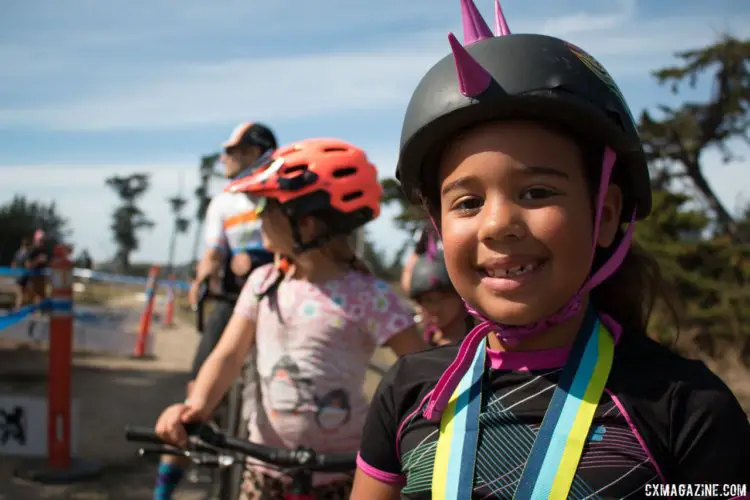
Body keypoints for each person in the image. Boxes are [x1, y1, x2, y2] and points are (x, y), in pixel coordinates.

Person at [352, 1, 750, 498]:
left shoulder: (686, 407)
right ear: (437, 227)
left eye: (537, 192)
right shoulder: (409, 390)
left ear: (603, 215)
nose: (498, 225)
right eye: (468, 202)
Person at [154, 138, 426, 499]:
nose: (257, 216)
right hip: (264, 471)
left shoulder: (370, 295)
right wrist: (197, 408)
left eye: (267, 207)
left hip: (341, 476)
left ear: (307, 224)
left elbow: (420, 371)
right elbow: (229, 355)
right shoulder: (263, 284)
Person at [153, 122, 278, 500]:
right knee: (195, 397)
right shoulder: (223, 200)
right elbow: (212, 254)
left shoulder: (279, 188)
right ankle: (163, 491)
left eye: (231, 150)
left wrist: (256, 258)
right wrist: (201, 282)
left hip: (276, 297)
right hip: (229, 304)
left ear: (255, 151)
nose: (224, 157)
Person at [406, 248, 472, 347]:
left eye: (433, 300)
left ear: (460, 296)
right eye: (421, 301)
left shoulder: (483, 343)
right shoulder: (423, 341)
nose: (430, 309)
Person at [24, 229, 49, 305]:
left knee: (42, 295)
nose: (42, 242)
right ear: (36, 240)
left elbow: (46, 264)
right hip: (32, 278)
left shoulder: (44, 250)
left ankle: (41, 310)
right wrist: (37, 260)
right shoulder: (32, 250)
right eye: (41, 240)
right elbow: (27, 265)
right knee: (30, 296)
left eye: (43, 240)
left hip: (41, 278)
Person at [11, 237, 31, 309]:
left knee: (20, 293)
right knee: (22, 293)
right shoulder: (26, 254)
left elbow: (13, 265)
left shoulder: (18, 253)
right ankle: (18, 308)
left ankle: (19, 307)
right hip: (23, 276)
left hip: (18, 275)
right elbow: (27, 265)